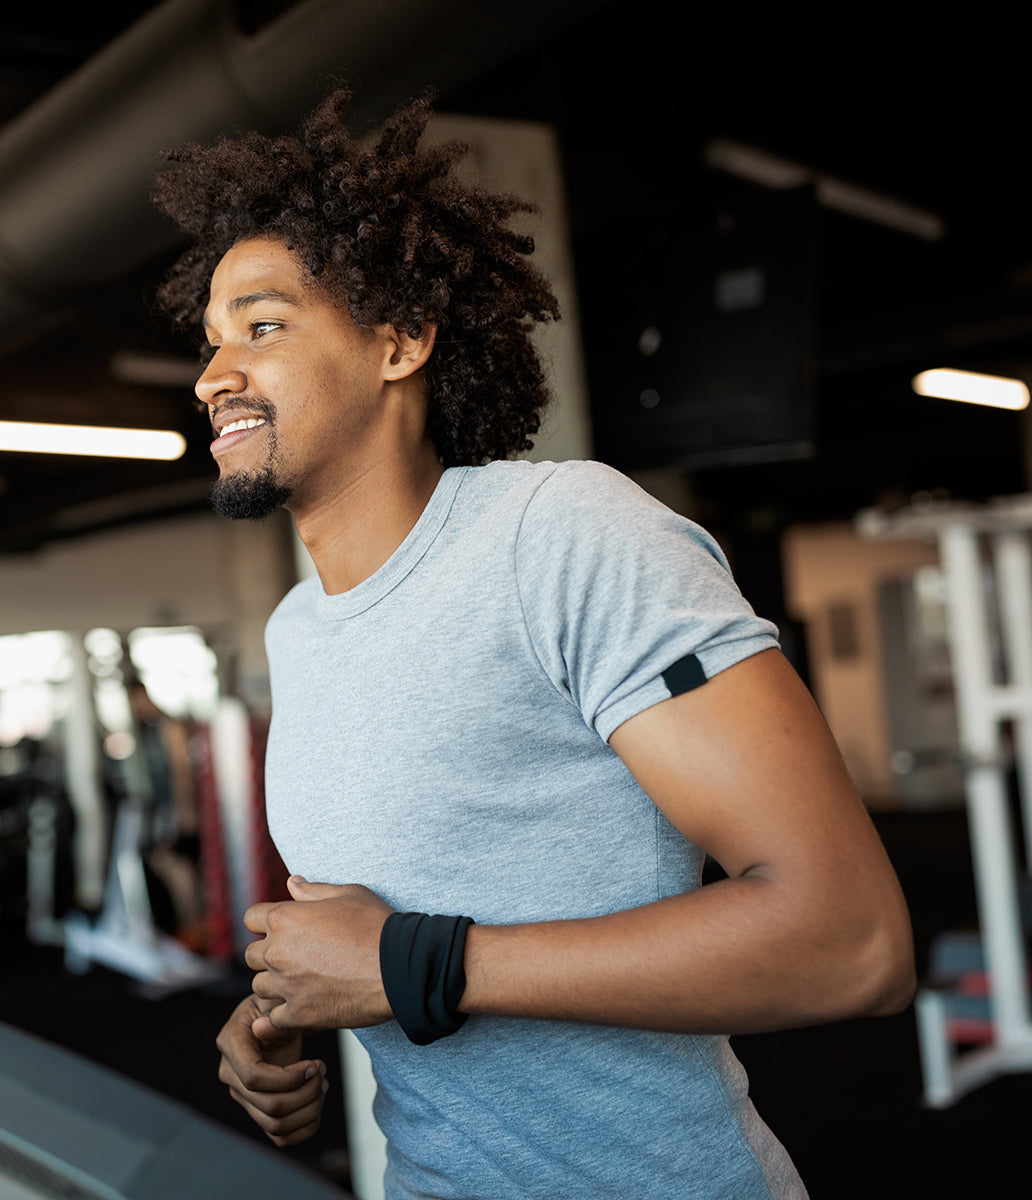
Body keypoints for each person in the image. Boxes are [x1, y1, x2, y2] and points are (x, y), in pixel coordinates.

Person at [152, 90, 914, 1199]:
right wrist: (286, 1007)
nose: (212, 374)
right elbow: (371, 932)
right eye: (210, 341)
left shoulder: (560, 534)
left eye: (261, 327)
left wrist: (414, 967)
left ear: (400, 341)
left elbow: (848, 940)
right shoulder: (299, 628)